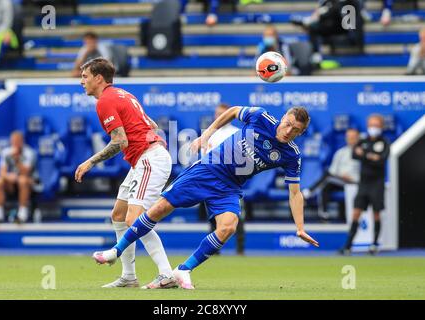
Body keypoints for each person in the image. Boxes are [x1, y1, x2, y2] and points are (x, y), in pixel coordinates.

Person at [92, 106, 320, 289]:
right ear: (283, 119)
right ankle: (116, 251)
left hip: (230, 187)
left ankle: (183, 270)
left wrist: (299, 227)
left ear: (301, 133)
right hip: (208, 169)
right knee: (159, 209)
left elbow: (295, 192)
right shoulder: (261, 118)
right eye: (288, 124)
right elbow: (231, 111)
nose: (289, 130)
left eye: (296, 130)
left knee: (229, 226)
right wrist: (207, 134)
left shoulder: (291, 155)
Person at [75, 58, 177, 289]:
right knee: (119, 215)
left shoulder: (104, 101)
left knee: (135, 219)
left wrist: (90, 162)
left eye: (85, 77)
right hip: (144, 158)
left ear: (99, 78)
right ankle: (129, 277)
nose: (82, 81)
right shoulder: (124, 94)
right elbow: (151, 124)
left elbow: (120, 141)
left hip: (150, 159)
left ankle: (166, 274)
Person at [198, 103, 246, 255]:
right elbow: (204, 156)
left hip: (231, 180)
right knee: (213, 215)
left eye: (221, 113)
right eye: (216, 113)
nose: (218, 116)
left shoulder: (237, 133)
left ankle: (240, 250)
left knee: (236, 214)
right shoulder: (208, 133)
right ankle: (214, 251)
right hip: (211, 179)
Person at [339, 114, 390, 256]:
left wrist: (365, 154)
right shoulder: (363, 140)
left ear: (381, 126)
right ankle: (348, 246)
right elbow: (355, 154)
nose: (373, 128)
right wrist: (371, 155)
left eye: (376, 125)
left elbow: (381, 160)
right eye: (371, 125)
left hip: (377, 183)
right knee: (356, 213)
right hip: (364, 183)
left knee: (376, 214)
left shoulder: (384, 142)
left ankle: (374, 244)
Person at [302, 128, 360, 221]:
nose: (350, 139)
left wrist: (352, 177)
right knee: (326, 184)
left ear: (358, 138)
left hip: (355, 182)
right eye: (348, 137)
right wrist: (342, 175)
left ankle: (307, 193)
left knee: (327, 177)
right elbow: (333, 171)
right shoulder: (341, 152)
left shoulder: (362, 152)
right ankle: (323, 214)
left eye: (353, 137)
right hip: (340, 180)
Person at [0, 131, 36, 225]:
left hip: (26, 183)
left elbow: (26, 172)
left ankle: (22, 215)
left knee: (22, 180)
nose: (15, 143)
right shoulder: (5, 152)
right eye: (13, 141)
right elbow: (2, 172)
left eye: (17, 141)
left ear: (22, 141)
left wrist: (16, 159)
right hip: (10, 183)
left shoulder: (29, 152)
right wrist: (8, 177)